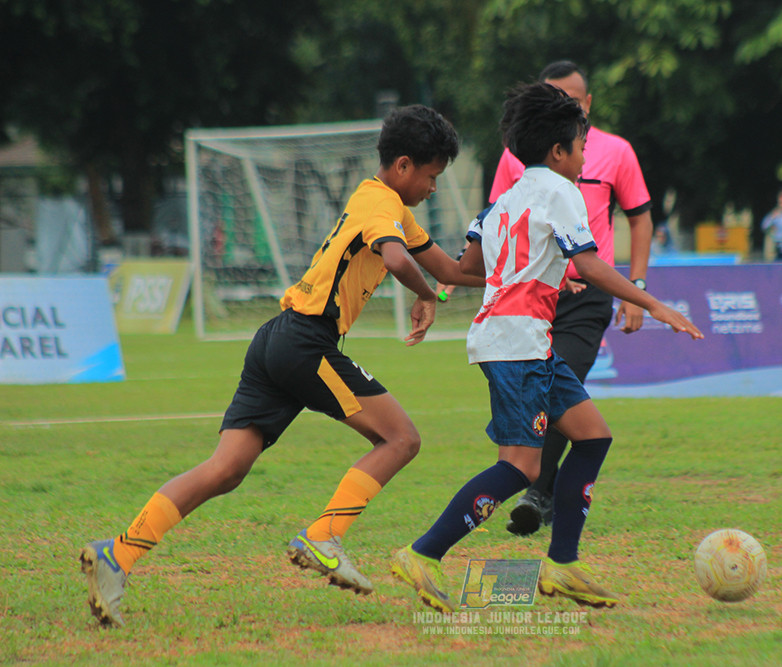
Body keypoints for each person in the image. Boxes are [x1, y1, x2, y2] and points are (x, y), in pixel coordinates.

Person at [79, 105, 485, 627]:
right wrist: (426, 296)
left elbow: (451, 268)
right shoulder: (381, 205)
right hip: (307, 343)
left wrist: (505, 278)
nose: (433, 188)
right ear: (404, 166)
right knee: (401, 439)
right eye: (431, 176)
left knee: (225, 469)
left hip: (275, 340)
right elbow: (399, 261)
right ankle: (323, 536)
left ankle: (116, 554)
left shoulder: (386, 206)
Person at [390, 82, 703, 612]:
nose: (584, 157)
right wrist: (653, 304)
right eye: (580, 147)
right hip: (517, 344)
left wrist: (539, 271)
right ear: (558, 152)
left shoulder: (506, 199)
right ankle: (423, 554)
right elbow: (588, 261)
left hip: (519, 340)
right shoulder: (562, 192)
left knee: (592, 437)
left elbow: (470, 269)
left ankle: (562, 566)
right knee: (521, 468)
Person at [486, 60, 657, 537]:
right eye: (552, 94)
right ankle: (526, 488)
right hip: (534, 296)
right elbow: (500, 222)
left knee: (565, 390)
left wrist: (637, 290)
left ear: (588, 102)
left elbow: (640, 218)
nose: (564, 103)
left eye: (572, 97)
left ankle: (537, 493)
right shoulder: (520, 155)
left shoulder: (616, 152)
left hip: (587, 295)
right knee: (553, 403)